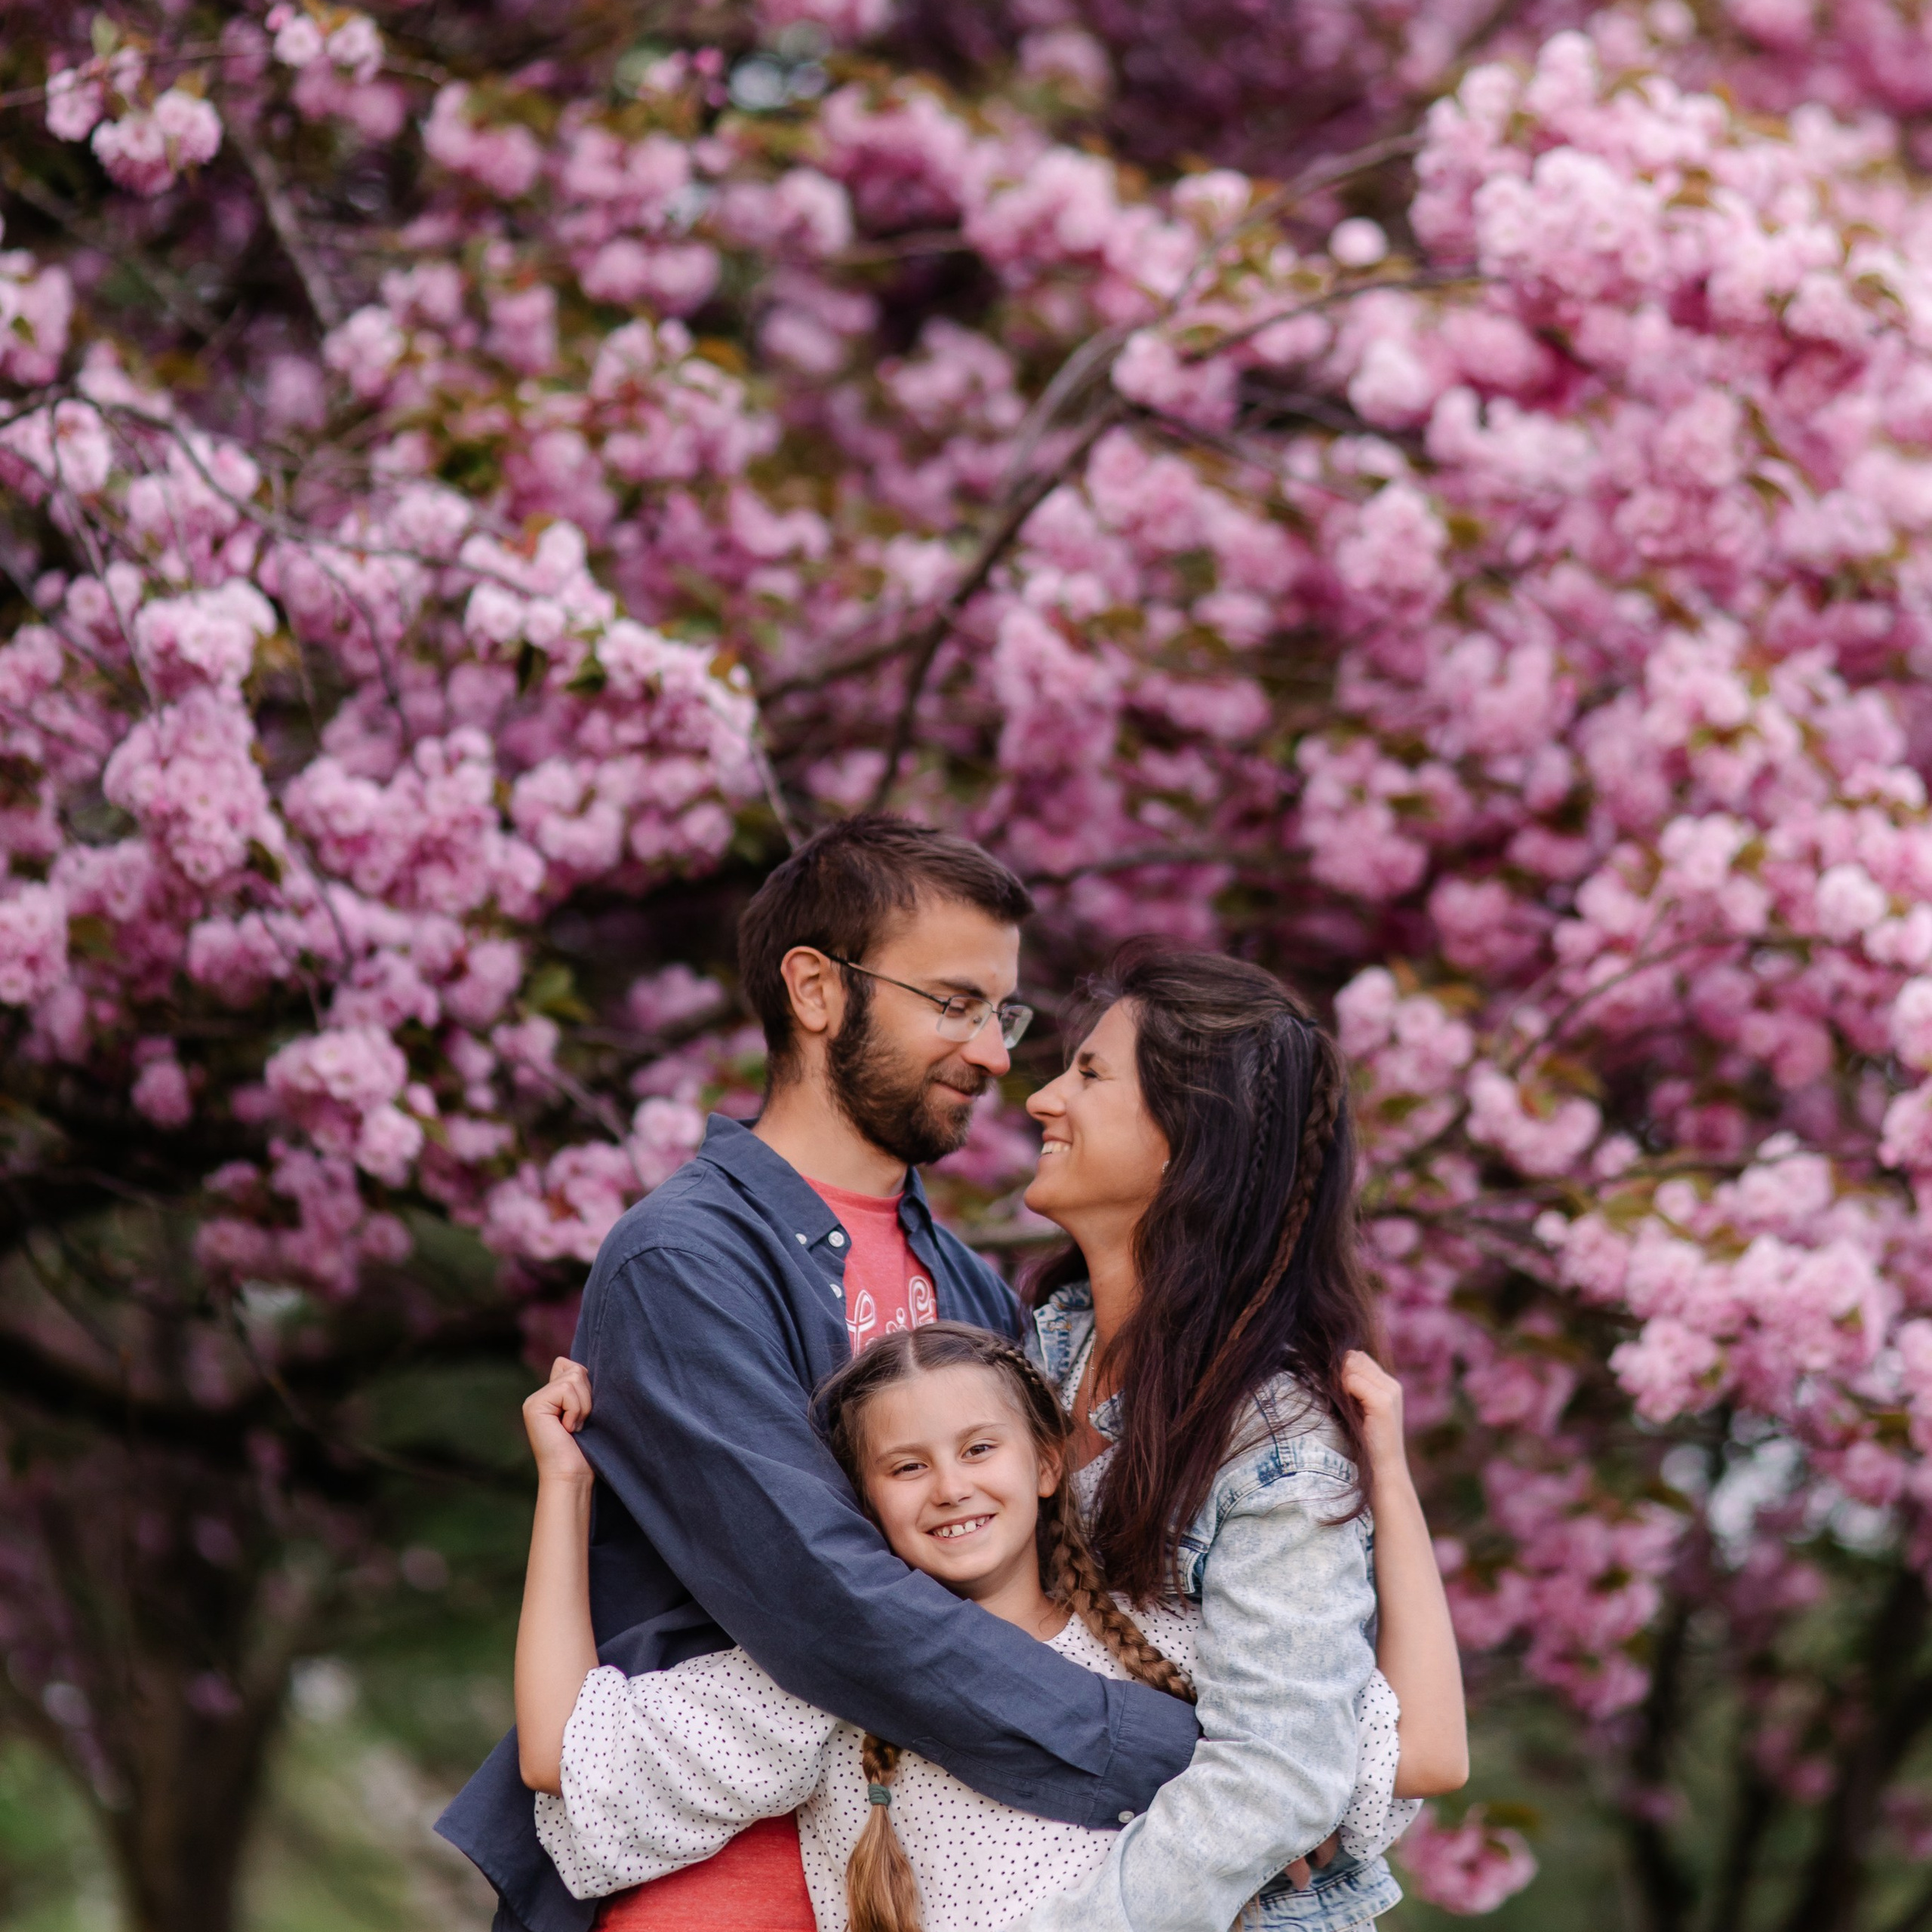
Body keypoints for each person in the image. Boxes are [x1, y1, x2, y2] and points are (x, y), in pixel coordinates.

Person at [437, 818, 1201, 1932]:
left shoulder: (975, 1293)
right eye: (953, 1003)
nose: (994, 1053)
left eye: (1004, 1013)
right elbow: (826, 1599)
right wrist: (1182, 1761)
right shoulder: (683, 1262)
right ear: (815, 990)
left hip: (920, 1864)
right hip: (724, 1874)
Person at [512, 1322, 1441, 1932]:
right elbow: (562, 1751)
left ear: (1045, 1464)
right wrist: (565, 1485)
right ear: (864, 1503)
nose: (952, 1486)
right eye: (906, 1466)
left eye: (979, 1448)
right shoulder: (833, 1677)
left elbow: (1426, 1754)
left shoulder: (1168, 1640)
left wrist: (1385, 1471)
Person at [1001, 941, 1469, 1930]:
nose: (1042, 1097)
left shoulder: (1271, 1440)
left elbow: (1279, 1774)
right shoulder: (1037, 1351)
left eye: (1088, 1073)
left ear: (1185, 1139)